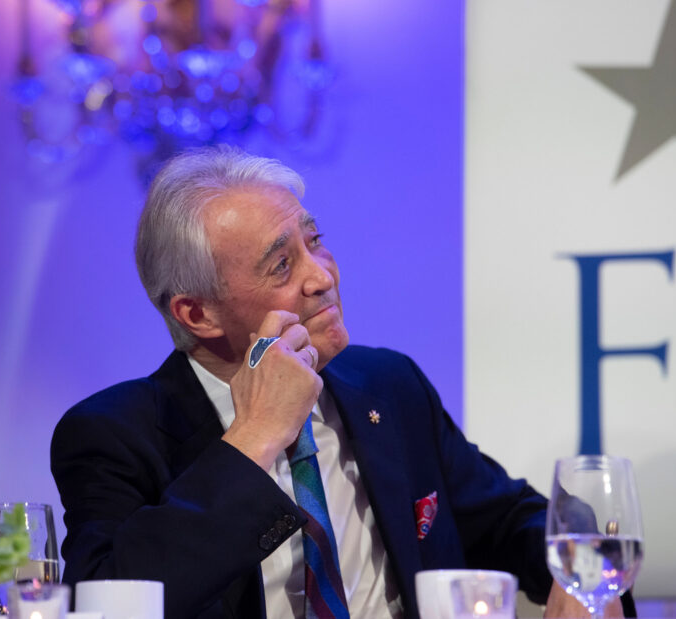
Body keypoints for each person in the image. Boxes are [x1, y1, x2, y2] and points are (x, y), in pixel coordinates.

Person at [52, 146, 629, 618]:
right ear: (197, 313)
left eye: (314, 241)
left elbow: (512, 517)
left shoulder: (388, 386)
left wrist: (581, 574)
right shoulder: (113, 435)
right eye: (282, 265)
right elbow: (106, 602)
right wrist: (254, 437)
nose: (321, 276)